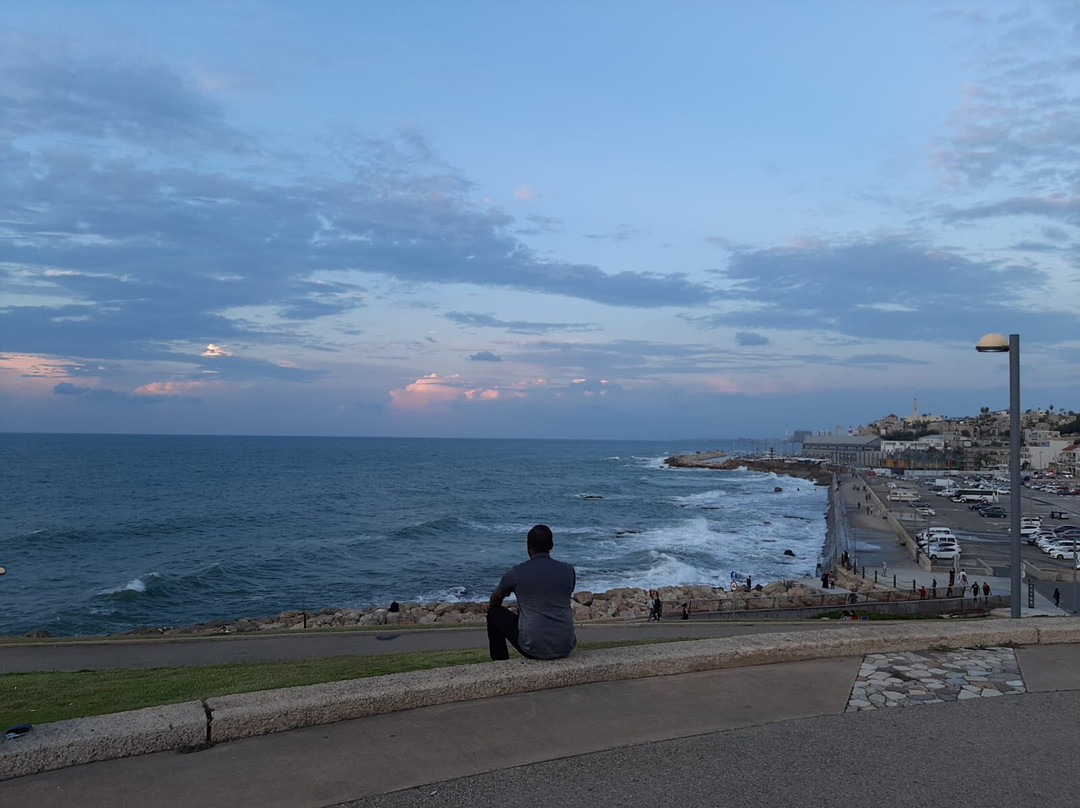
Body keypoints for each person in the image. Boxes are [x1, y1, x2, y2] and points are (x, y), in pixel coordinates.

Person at [487, 524, 577, 661]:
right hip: (566, 644)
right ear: (552, 545)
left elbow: (494, 602)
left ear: (528, 546)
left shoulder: (516, 573)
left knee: (493, 613)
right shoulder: (568, 570)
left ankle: (500, 661)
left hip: (533, 648)